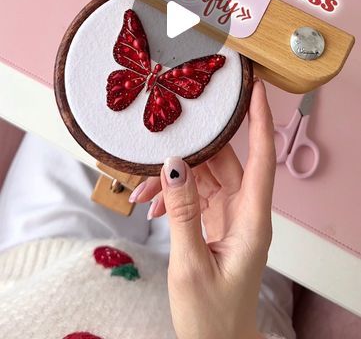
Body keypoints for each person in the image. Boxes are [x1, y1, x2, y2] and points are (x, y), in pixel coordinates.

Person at [0, 79, 296, 339]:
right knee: (276, 194)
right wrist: (229, 335)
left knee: (83, 96)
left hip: (44, 267)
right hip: (238, 311)